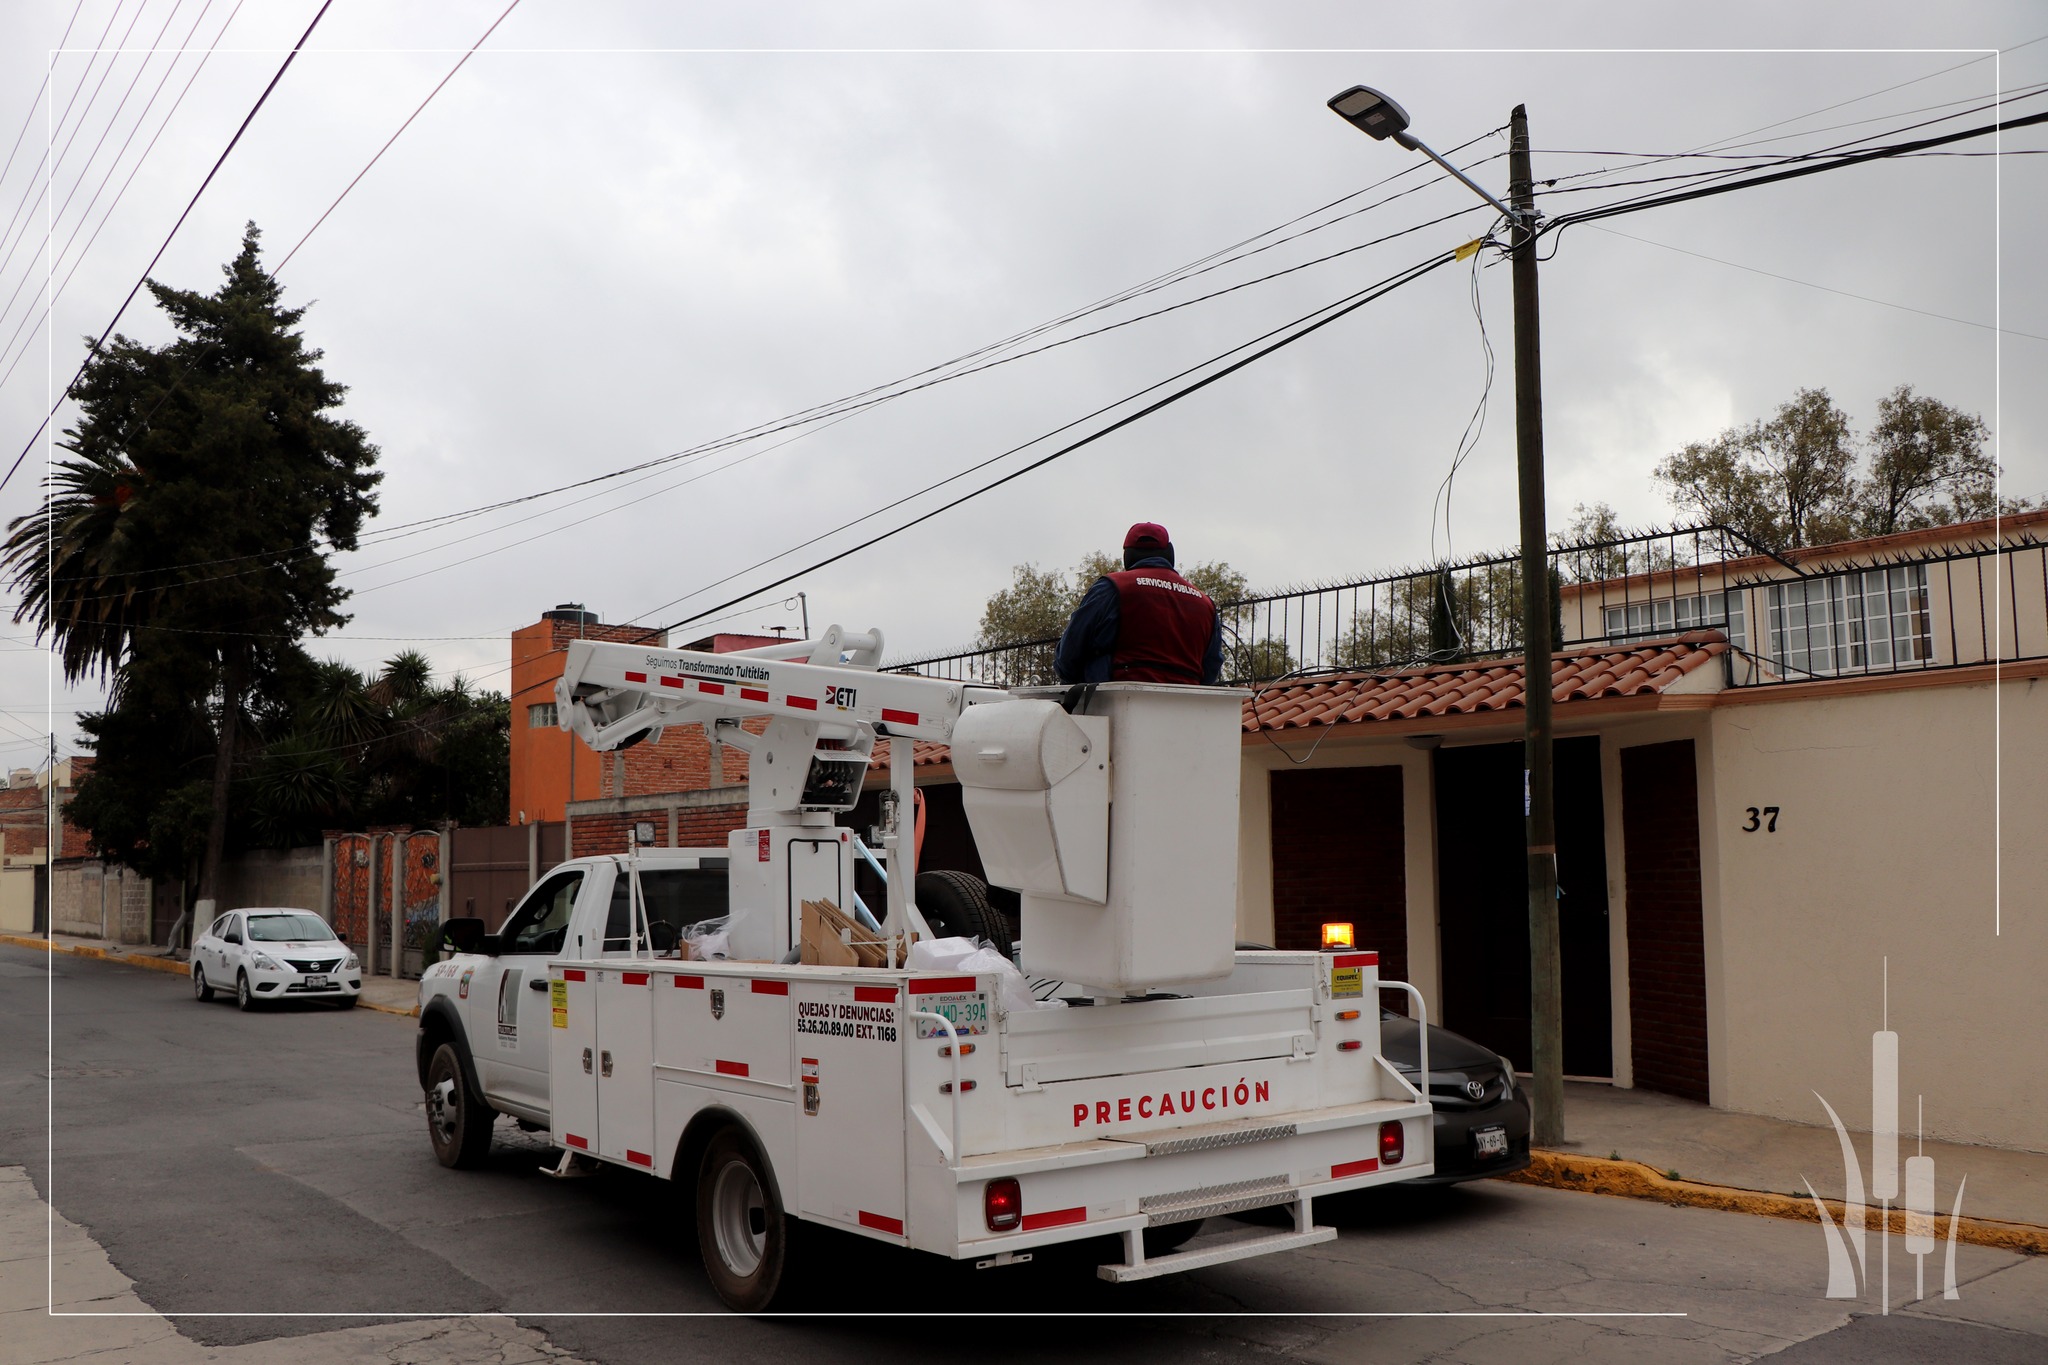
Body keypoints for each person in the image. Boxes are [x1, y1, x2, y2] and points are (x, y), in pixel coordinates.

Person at [1054, 522, 1223, 685]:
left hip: (1114, 704)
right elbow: (1211, 667)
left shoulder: (1113, 587)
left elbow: (1070, 652)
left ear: (1127, 555)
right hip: (1187, 707)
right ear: (1170, 553)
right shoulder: (1204, 603)